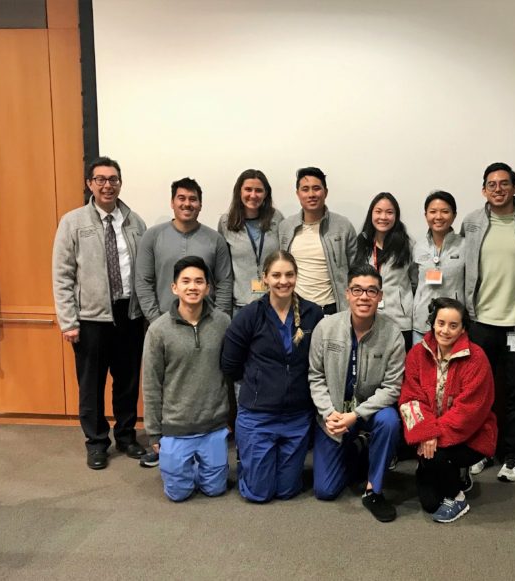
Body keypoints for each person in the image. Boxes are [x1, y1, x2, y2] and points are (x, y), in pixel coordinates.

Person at [52, 156, 148, 470]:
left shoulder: (135, 221)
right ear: (90, 183)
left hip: (129, 314)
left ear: (120, 183)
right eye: (101, 179)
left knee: (127, 381)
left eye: (113, 179)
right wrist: (68, 321)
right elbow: (62, 274)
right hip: (91, 318)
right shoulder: (73, 222)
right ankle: (96, 443)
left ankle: (126, 435)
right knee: (91, 384)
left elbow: (144, 272)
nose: (108, 185)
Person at [461, 162, 515, 482]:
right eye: (492, 184)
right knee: (480, 391)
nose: (498, 189)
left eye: (504, 183)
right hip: (481, 321)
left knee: (513, 390)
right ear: (484, 190)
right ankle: (482, 451)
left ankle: (513, 455)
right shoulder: (471, 223)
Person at [221, 251, 323, 502]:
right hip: (258, 415)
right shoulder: (249, 315)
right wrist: (259, 383)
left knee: (288, 491)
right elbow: (229, 364)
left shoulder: (313, 314)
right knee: (259, 493)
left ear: (296, 277)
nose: (283, 281)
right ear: (264, 278)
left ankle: (267, 464)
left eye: (289, 274)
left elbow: (320, 362)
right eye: (276, 275)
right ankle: (251, 465)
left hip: (297, 416)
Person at [308, 264, 405, 522]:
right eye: (358, 290)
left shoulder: (392, 334)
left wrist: (356, 415)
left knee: (389, 421)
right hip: (334, 415)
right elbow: (315, 376)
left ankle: (374, 490)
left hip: (368, 413)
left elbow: (392, 387)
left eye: (372, 291)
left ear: (380, 296)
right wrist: (330, 413)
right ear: (347, 293)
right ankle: (360, 448)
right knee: (325, 491)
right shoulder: (326, 327)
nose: (364, 296)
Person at [142, 256, 232, 501]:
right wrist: (154, 433)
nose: (193, 287)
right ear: (175, 287)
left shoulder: (223, 323)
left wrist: (230, 419)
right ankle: (181, 463)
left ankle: (203, 464)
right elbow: (151, 384)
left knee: (215, 490)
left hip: (213, 424)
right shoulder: (158, 330)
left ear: (208, 288)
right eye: (186, 281)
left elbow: (231, 374)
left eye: (199, 281)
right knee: (178, 494)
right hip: (176, 427)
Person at [399, 298, 497, 523]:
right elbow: (410, 399)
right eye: (441, 323)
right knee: (430, 503)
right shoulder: (416, 354)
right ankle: (441, 469)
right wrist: (426, 433)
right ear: (433, 323)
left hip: (471, 436)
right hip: (431, 436)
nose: (445, 330)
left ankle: (458, 496)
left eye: (453, 325)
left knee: (436, 456)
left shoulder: (477, 358)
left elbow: (470, 412)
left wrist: (432, 435)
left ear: (463, 328)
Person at [135, 177, 233, 322]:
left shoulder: (216, 239)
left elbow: (224, 283)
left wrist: (217, 321)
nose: (187, 204)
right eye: (181, 198)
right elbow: (143, 281)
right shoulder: (152, 236)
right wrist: (156, 321)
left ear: (200, 205)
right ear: (172, 203)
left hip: (207, 322)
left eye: (193, 199)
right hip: (163, 320)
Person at [279, 167, 356, 315]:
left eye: (316, 188)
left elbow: (355, 270)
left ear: (325, 192)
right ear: (298, 194)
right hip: (298, 309)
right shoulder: (286, 227)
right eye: (305, 189)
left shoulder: (343, 226)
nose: (311, 194)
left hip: (334, 308)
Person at [218, 169, 285, 313]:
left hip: (275, 304)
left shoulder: (277, 218)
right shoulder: (226, 222)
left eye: (259, 190)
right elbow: (224, 269)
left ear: (266, 193)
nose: (253, 195)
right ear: (239, 192)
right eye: (248, 189)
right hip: (241, 307)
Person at [355, 192, 413, 351]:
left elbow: (415, 280)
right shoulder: (361, 244)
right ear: (371, 214)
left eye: (389, 212)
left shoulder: (407, 245)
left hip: (400, 320)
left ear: (396, 216)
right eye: (378, 211)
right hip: (368, 318)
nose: (383, 217)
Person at [411, 191, 465, 346]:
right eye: (433, 212)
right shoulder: (418, 247)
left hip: (453, 324)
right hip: (422, 324)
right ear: (426, 215)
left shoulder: (464, 246)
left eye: (445, 211)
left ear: (454, 215)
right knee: (422, 368)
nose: (438, 217)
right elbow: (414, 280)